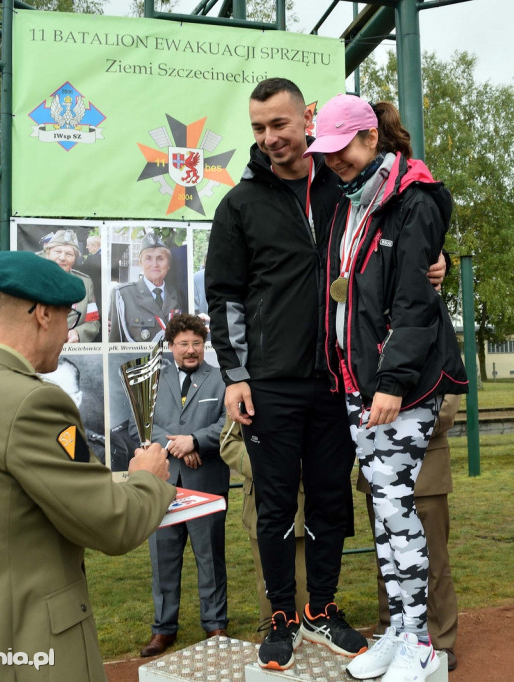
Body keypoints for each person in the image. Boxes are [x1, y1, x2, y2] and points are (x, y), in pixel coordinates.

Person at [0, 250, 176, 681]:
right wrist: (148, 477)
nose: (69, 337)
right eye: (68, 320)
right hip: (28, 651)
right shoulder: (33, 403)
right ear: (42, 315)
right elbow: (113, 523)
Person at [205, 77, 367, 671]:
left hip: (336, 378)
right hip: (269, 383)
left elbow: (394, 243)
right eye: (258, 128)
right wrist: (237, 375)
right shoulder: (239, 204)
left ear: (306, 121)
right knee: (273, 508)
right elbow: (223, 297)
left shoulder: (344, 189)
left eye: (279, 124)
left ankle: (321, 610)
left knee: (329, 501)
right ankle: (281, 616)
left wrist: (436, 261)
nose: (269, 138)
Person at [306, 93, 468, 682]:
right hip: (360, 381)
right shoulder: (355, 202)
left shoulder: (412, 201)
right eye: (324, 153)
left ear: (371, 139)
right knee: (385, 512)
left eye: (340, 149)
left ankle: (420, 643)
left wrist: (394, 382)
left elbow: (414, 304)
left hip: (400, 387)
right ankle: (398, 633)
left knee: (398, 512)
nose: (333, 163)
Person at [132, 314, 230, 657]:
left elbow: (229, 424)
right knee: (163, 559)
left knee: (210, 556)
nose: (191, 350)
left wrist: (196, 441)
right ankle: (163, 629)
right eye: (184, 344)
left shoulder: (221, 380)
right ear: (170, 346)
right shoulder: (152, 381)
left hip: (206, 482)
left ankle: (216, 625)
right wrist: (178, 445)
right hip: (163, 485)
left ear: (205, 346)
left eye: (197, 343)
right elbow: (141, 425)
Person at [356, 393, 461, 672]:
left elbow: (446, 409)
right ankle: (390, 629)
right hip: (379, 471)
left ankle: (438, 640)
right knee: (388, 560)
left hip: (426, 472)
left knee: (433, 560)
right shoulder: (370, 349)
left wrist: (396, 424)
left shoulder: (436, 348)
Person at [219, 415, 311, 623]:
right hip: (261, 503)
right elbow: (228, 442)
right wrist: (267, 465)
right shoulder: (247, 387)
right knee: (271, 597)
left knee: (308, 593)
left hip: (307, 503)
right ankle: (275, 641)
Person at [110, 232, 184, 343]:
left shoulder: (179, 294)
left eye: (160, 258)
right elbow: (115, 344)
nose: (154, 264)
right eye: (148, 258)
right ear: (140, 262)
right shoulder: (123, 295)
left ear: (168, 264)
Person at [42, 229, 100, 343]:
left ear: (74, 259)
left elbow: (93, 322)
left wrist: (78, 333)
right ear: (48, 254)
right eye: (57, 251)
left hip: (72, 352)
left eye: (69, 254)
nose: (62, 257)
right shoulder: (34, 280)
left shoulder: (85, 283)